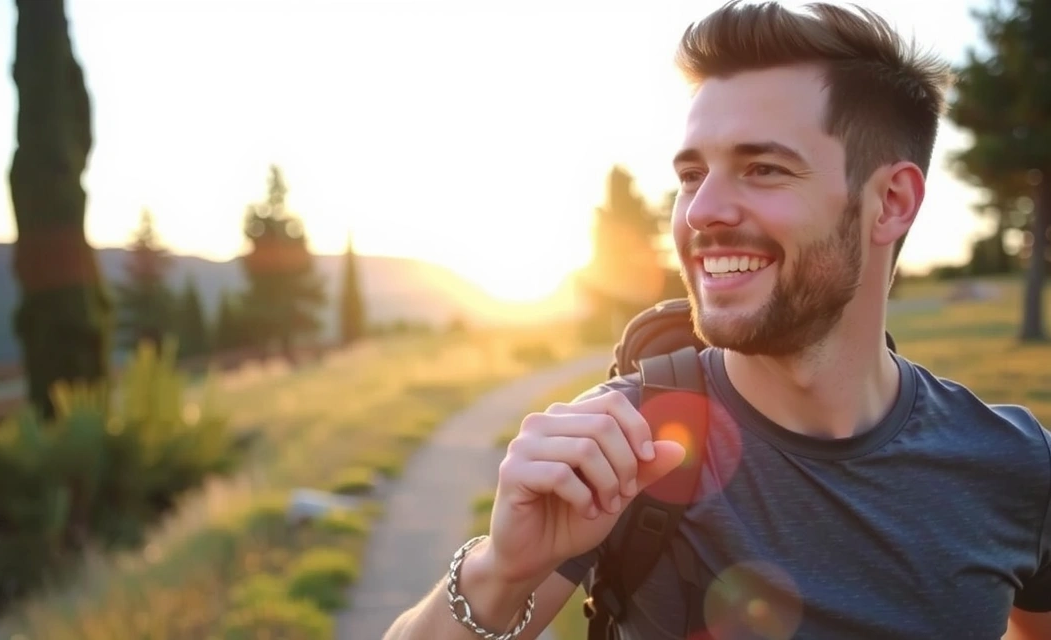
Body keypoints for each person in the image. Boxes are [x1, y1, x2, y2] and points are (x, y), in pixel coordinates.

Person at [384, 2, 1051, 638]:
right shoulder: (629, 443)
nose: (701, 211)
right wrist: (501, 570)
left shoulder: (1014, 466)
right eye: (692, 175)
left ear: (891, 202)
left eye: (762, 169)